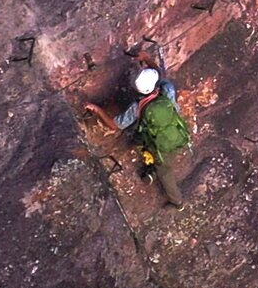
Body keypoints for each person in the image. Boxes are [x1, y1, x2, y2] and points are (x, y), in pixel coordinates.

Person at [82, 42, 191, 206]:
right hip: (177, 131)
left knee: (165, 173)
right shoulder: (167, 90)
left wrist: (97, 109)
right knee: (152, 145)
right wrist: (147, 59)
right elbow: (160, 75)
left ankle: (177, 202)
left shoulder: (137, 107)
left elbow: (114, 125)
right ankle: (152, 167)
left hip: (162, 146)